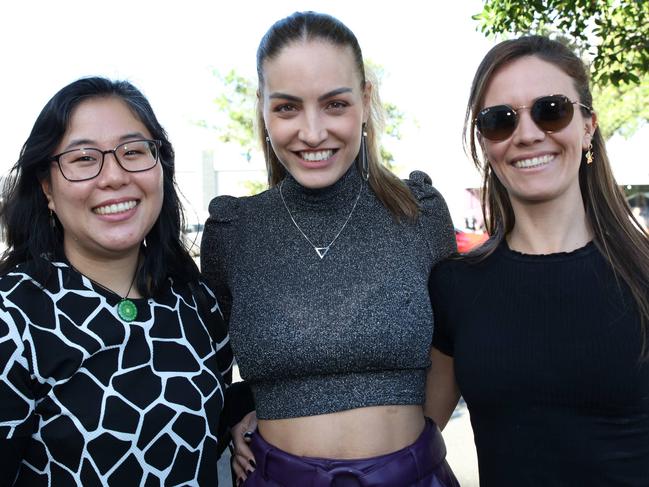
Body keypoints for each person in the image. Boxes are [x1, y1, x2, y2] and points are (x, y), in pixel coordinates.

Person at [201, 11, 459, 487]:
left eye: (335, 104)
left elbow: (453, 348)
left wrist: (408, 457)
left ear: (365, 100)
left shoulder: (419, 212)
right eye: (287, 108)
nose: (313, 131)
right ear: (262, 108)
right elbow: (207, 368)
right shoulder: (233, 231)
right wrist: (238, 415)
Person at [426, 35, 649, 486]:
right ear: (485, 142)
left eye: (551, 110)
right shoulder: (455, 287)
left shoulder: (643, 275)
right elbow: (409, 434)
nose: (527, 134)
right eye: (499, 120)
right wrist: (251, 410)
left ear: (588, 125)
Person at [0, 77, 234, 486]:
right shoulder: (13, 317)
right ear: (46, 188)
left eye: (133, 152)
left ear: (160, 166)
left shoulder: (196, 301)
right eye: (84, 158)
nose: (113, 177)